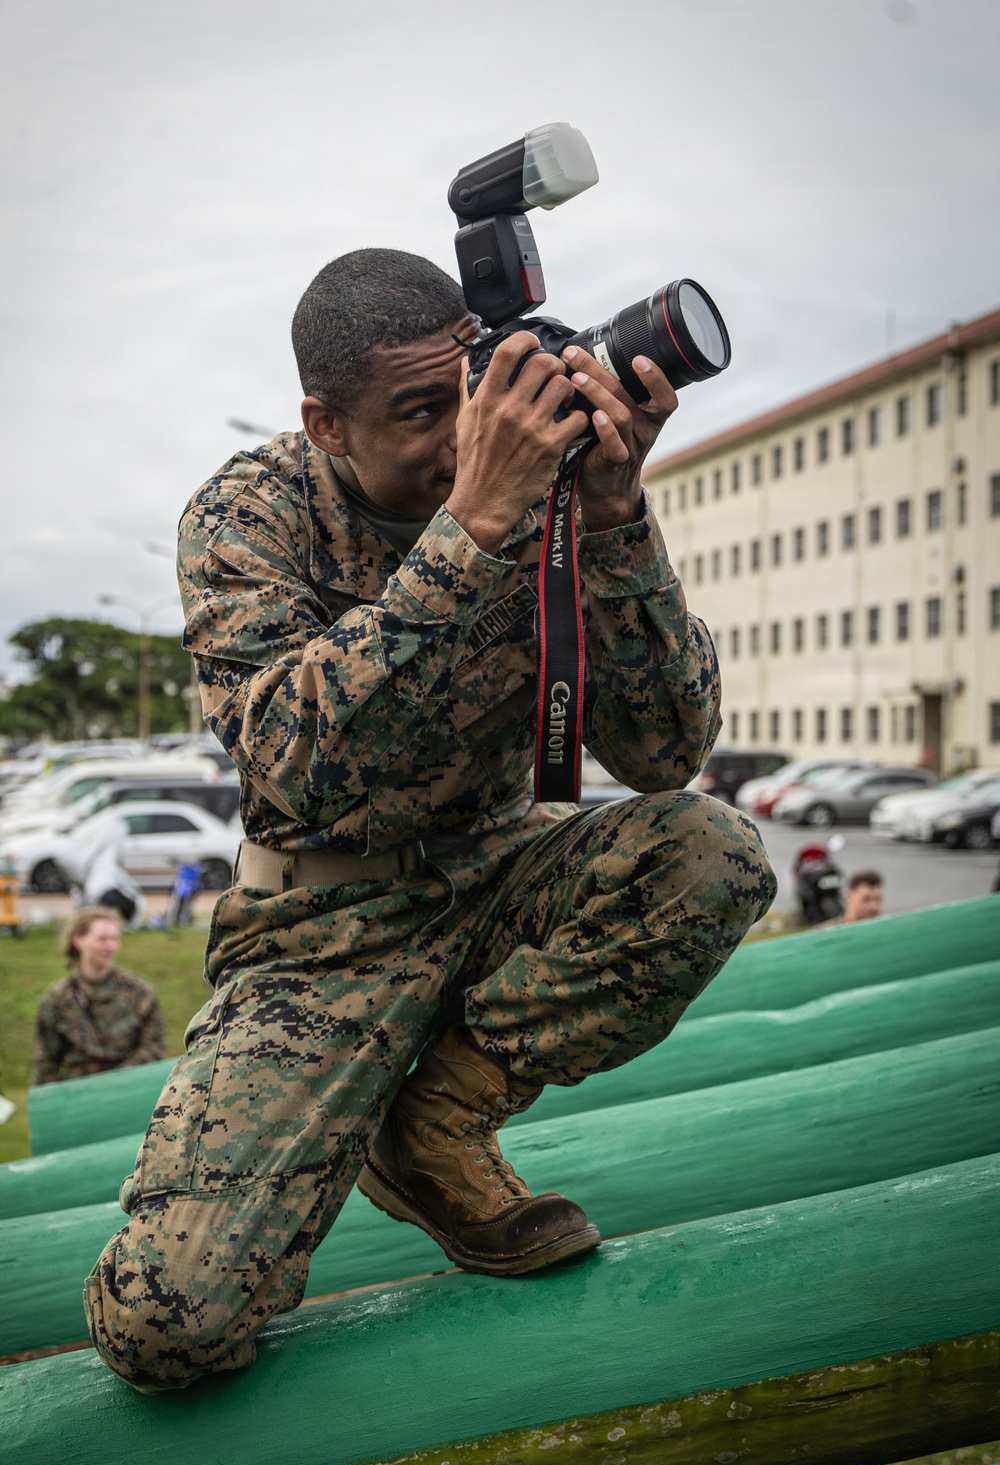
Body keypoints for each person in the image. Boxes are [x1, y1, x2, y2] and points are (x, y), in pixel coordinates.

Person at [87, 249, 775, 1393]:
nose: (461, 436)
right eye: (418, 413)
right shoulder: (247, 512)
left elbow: (664, 753)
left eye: (465, 394)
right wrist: (475, 527)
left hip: (497, 873)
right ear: (325, 421)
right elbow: (296, 764)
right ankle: (304, 1176)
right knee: (168, 1328)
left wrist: (611, 518)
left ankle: (436, 1125)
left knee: (708, 852)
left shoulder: (544, 484)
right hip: (322, 928)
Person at [31, 907, 167, 1085]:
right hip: (78, 1095)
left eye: (114, 939)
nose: (110, 946)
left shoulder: (139, 993)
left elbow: (155, 1050)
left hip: (129, 1088)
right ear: (78, 941)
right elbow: (46, 1063)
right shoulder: (56, 999)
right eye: (102, 939)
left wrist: (112, 1082)